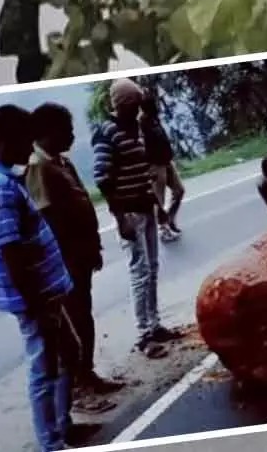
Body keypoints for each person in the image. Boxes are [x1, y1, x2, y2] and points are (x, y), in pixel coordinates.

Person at [0, 105, 90, 451]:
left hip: (46, 292)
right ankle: (51, 441)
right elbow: (12, 254)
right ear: (5, 141)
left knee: (69, 351)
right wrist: (39, 304)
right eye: (24, 142)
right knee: (45, 367)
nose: (28, 150)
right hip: (38, 298)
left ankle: (62, 428)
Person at [25, 103, 125, 413]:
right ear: (47, 132)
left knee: (84, 315)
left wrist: (92, 246)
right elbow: (46, 220)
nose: (71, 135)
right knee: (71, 324)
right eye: (66, 129)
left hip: (79, 258)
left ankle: (87, 372)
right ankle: (78, 391)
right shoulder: (38, 166)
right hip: (63, 263)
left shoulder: (61, 163)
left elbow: (80, 203)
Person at [91, 78, 179, 358]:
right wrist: (120, 219)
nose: (138, 109)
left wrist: (159, 206)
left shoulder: (136, 128)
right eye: (134, 104)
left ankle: (155, 325)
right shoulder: (107, 133)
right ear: (122, 104)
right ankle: (144, 335)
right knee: (139, 272)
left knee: (152, 268)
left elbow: (142, 173)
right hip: (129, 212)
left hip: (145, 205)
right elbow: (102, 178)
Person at [139, 92, 185, 243]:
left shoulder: (154, 120)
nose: (158, 106)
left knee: (179, 191)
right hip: (155, 164)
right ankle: (163, 230)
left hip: (166, 161)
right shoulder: (142, 122)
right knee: (159, 199)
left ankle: (170, 219)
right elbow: (142, 145)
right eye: (155, 103)